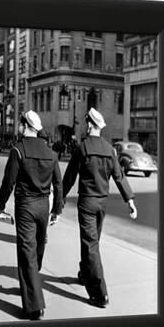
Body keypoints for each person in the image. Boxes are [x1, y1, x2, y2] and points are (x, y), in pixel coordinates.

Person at [62, 108, 137, 308]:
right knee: (92, 243)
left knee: (90, 245)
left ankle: (100, 293)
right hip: (102, 204)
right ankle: (84, 273)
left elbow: (69, 177)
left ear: (88, 125)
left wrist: (58, 199)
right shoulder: (110, 149)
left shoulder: (82, 148)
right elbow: (119, 176)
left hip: (86, 202)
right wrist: (129, 200)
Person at [0, 110, 63, 320]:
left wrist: (0, 206)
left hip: (25, 206)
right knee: (38, 247)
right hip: (43, 206)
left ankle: (34, 306)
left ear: (25, 125)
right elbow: (58, 183)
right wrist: (57, 210)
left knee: (27, 252)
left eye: (20, 124)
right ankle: (31, 283)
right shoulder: (51, 153)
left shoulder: (18, 149)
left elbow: (9, 181)